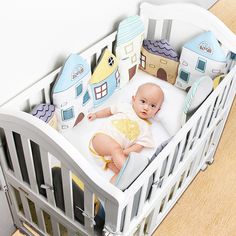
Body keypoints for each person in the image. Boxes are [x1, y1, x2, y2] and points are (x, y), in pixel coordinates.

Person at [88, 83, 164, 183]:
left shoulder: (146, 128)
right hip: (101, 139)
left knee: (120, 173)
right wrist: (96, 114)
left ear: (157, 111)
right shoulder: (126, 107)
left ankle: (113, 189)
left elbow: (139, 146)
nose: (146, 107)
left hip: (112, 156)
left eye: (152, 106)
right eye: (143, 101)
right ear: (134, 99)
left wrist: (124, 153)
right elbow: (109, 110)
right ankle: (131, 173)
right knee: (118, 154)